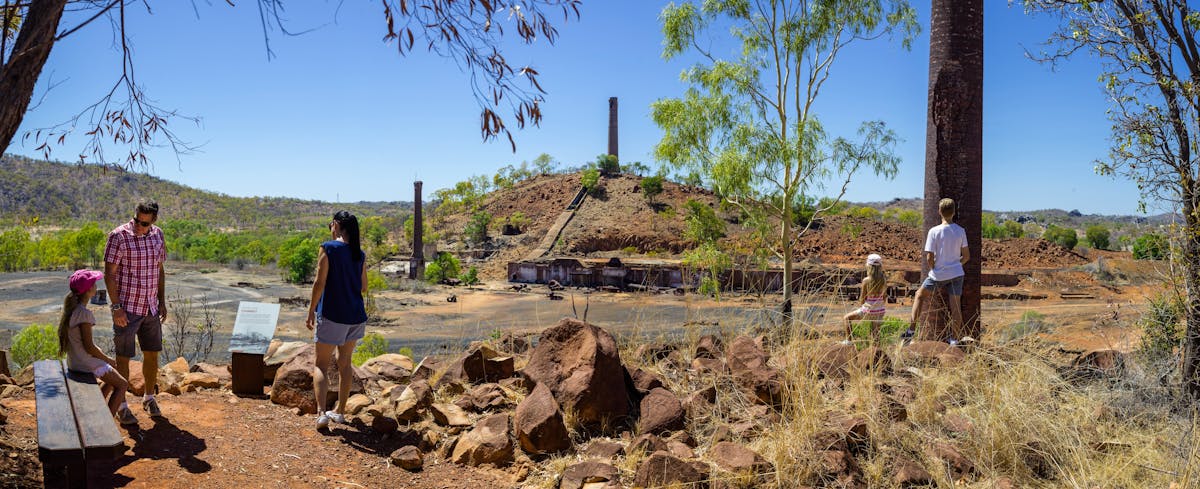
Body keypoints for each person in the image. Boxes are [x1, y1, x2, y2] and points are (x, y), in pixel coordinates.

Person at [104, 201, 167, 423]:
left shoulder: (158, 235)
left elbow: (159, 270)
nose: (139, 225)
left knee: (152, 353)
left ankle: (149, 397)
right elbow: (109, 273)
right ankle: (121, 405)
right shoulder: (118, 236)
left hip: (150, 307)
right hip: (127, 309)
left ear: (153, 221)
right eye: (137, 220)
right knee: (123, 358)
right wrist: (116, 307)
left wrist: (161, 301)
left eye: (144, 223)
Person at [306, 211, 368, 431]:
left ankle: (322, 414)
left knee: (321, 363)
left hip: (333, 314)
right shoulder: (359, 254)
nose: (330, 228)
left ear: (338, 225)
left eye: (331, 224)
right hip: (355, 316)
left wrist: (311, 310)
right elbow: (364, 287)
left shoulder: (329, 248)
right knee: (345, 363)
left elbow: (318, 282)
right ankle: (340, 412)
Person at [59, 269, 134, 424]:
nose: (96, 286)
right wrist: (107, 359)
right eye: (93, 284)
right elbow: (89, 347)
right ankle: (104, 424)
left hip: (75, 362)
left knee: (112, 377)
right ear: (88, 290)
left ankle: (96, 409)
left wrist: (105, 360)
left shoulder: (72, 311)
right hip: (85, 362)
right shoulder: (84, 314)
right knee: (122, 384)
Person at [910, 198, 970, 341]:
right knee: (955, 306)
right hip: (957, 273)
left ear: (939, 212)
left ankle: (911, 330)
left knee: (919, 295)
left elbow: (929, 257)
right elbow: (966, 256)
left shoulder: (934, 231)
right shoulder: (960, 231)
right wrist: (955, 264)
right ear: (954, 212)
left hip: (938, 274)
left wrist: (935, 268)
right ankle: (955, 339)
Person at [843, 254, 887, 344]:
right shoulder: (883, 279)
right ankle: (876, 351)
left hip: (868, 311)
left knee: (846, 318)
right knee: (876, 335)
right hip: (880, 311)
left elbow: (862, 299)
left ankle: (849, 341)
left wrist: (861, 306)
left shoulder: (866, 280)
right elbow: (884, 297)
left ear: (869, 266)